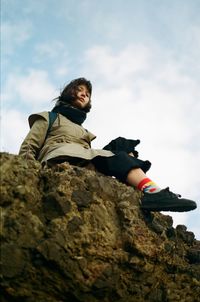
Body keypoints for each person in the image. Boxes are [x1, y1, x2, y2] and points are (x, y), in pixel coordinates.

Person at [19, 77, 197, 212]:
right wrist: (29, 175)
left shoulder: (80, 128)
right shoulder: (50, 117)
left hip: (83, 158)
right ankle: (153, 192)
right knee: (119, 157)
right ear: (68, 92)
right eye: (79, 90)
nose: (84, 94)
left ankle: (140, 191)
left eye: (87, 94)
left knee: (122, 145)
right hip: (62, 157)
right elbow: (30, 146)